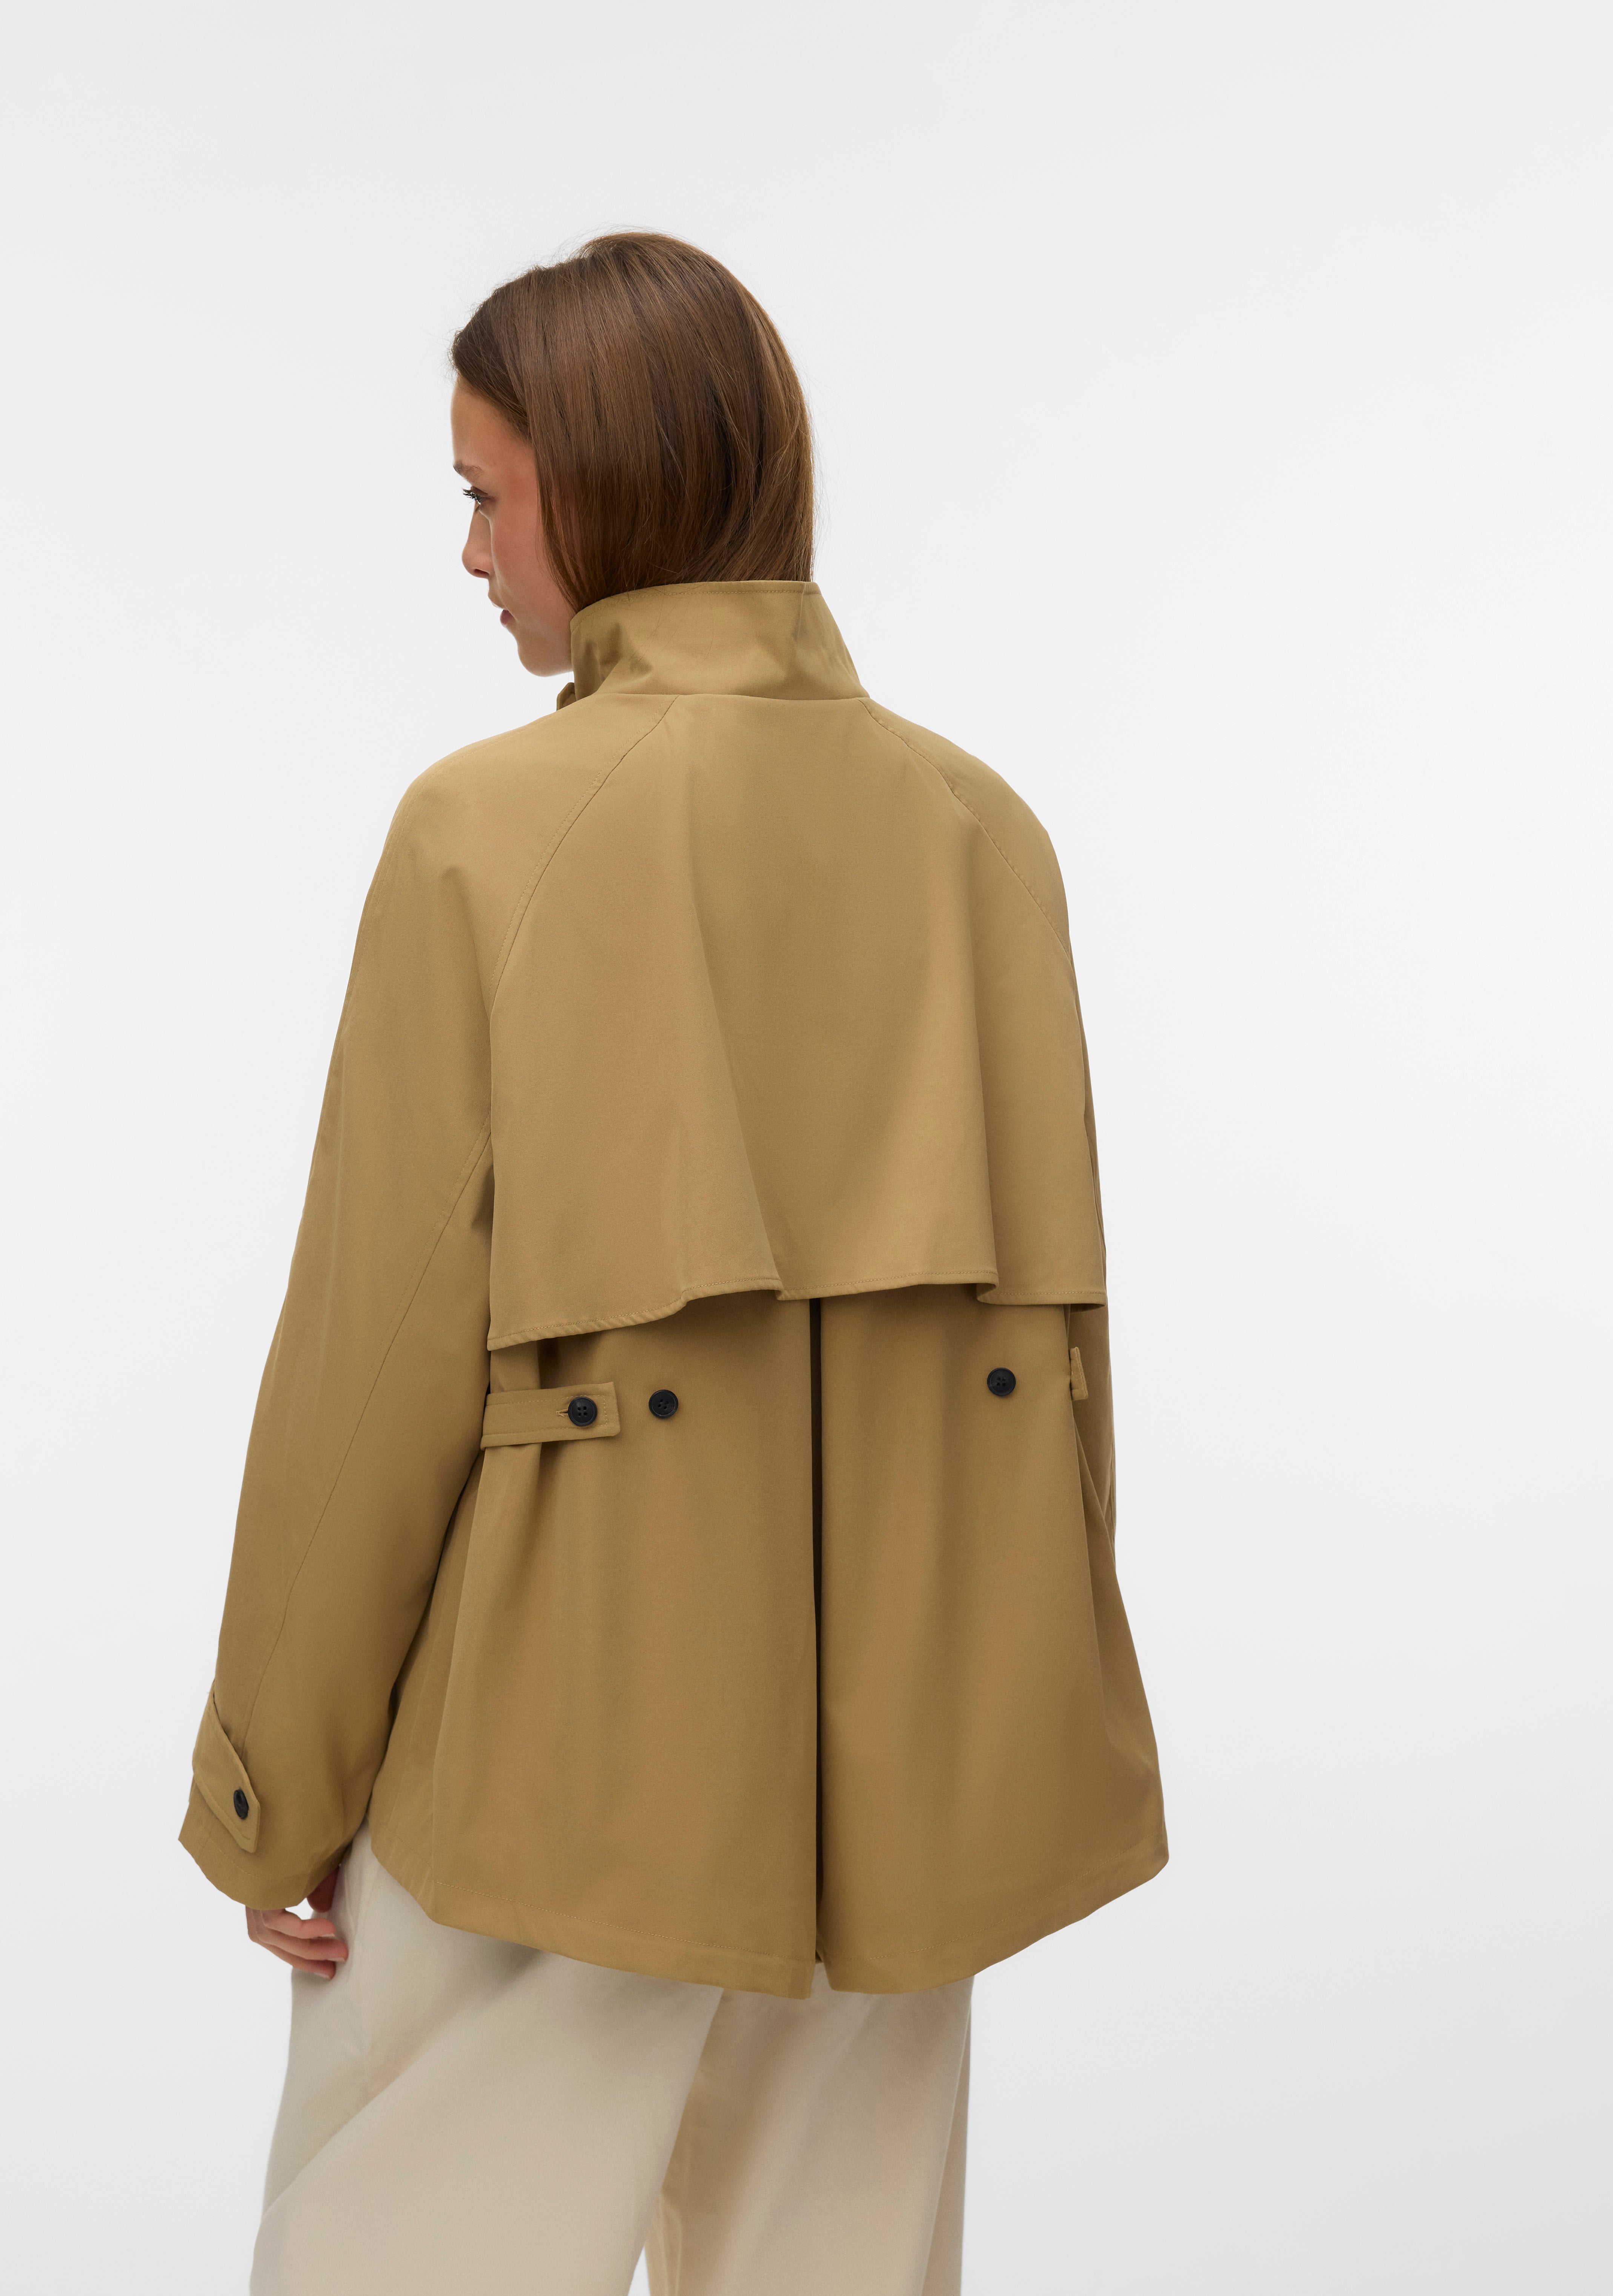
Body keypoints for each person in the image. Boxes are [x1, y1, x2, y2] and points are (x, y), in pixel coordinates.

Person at [180, 230, 1166, 2296]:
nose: (471, 555)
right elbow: (1061, 1349)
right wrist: (1001, 1750)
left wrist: (278, 1784)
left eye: (488, 495)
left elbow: (376, 1358)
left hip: (548, 1785)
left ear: (606, 484)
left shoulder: (489, 829)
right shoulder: (982, 829)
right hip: (906, 1795)